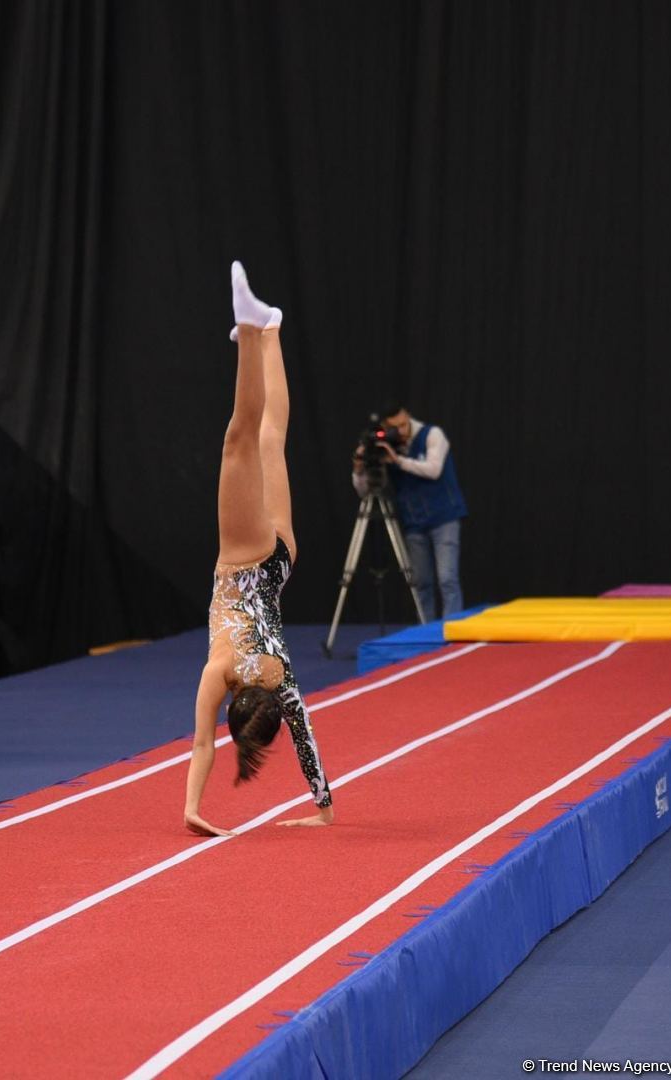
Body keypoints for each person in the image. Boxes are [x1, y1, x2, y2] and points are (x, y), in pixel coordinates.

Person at [183, 262, 333, 838]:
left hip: (283, 561)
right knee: (239, 441)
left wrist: (324, 808)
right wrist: (192, 808)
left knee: (271, 436)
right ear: (234, 707)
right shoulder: (220, 672)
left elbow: (307, 742)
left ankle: (270, 329)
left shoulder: (283, 680)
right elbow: (201, 745)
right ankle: (247, 328)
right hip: (245, 562)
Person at [352, 404, 467, 623]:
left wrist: (398, 461)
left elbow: (433, 470)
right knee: (421, 583)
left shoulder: (432, 434)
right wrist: (359, 467)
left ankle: (453, 634)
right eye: (395, 427)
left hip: (444, 517)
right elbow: (364, 491)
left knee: (447, 579)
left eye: (404, 424)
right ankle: (427, 631)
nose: (402, 431)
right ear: (386, 427)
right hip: (414, 522)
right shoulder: (385, 447)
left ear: (408, 416)